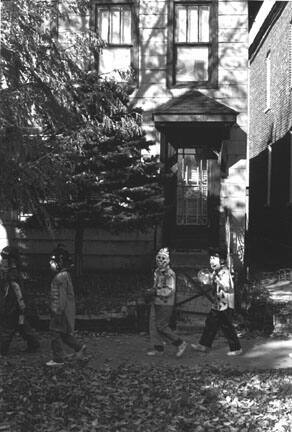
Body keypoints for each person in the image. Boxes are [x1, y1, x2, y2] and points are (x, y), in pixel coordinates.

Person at [191, 248, 242, 356]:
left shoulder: (225, 272)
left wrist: (216, 280)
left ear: (222, 261)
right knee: (210, 324)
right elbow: (214, 284)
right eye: (210, 259)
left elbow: (227, 287)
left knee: (227, 326)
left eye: (214, 258)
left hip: (226, 304)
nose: (211, 261)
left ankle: (236, 348)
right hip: (218, 303)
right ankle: (204, 345)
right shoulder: (216, 271)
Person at [46, 246, 86, 366]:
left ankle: (58, 358)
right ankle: (79, 347)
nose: (50, 264)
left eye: (52, 262)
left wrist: (58, 311)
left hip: (59, 311)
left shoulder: (60, 277)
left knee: (54, 333)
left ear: (59, 262)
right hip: (62, 311)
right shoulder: (65, 275)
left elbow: (62, 297)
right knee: (63, 334)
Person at [147, 247, 187, 358]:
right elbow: (156, 285)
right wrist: (153, 291)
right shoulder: (157, 272)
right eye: (158, 258)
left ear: (167, 260)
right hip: (156, 301)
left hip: (165, 302)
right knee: (153, 325)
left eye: (163, 258)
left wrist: (155, 292)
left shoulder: (170, 274)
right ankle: (158, 348)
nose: (160, 261)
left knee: (161, 326)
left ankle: (180, 343)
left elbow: (169, 290)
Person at [0, 246, 40, 356]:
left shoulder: (11, 272)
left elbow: (16, 287)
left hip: (12, 304)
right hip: (15, 303)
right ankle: (34, 344)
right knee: (22, 325)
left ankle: (2, 349)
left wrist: (21, 302)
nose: (2, 260)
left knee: (8, 327)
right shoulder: (13, 270)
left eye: (4, 258)